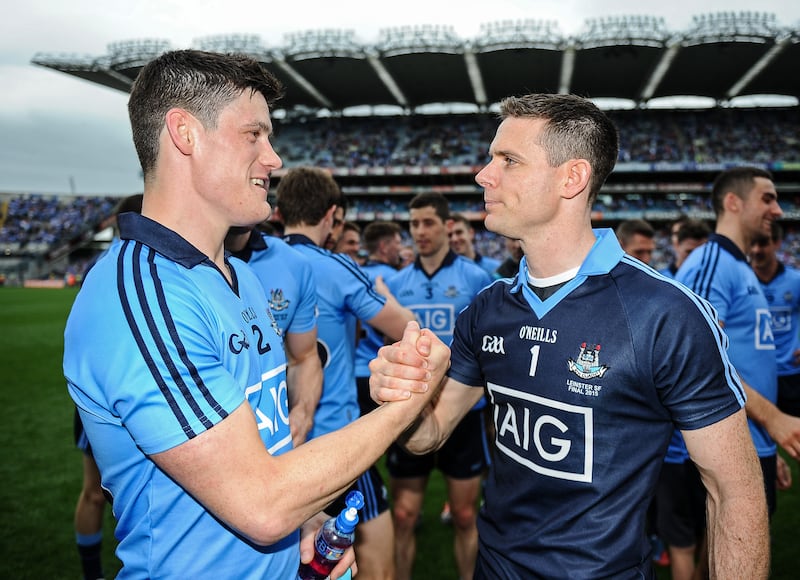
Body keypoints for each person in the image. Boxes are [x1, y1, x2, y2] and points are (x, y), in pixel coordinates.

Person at [63, 50, 442, 579]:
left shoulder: (243, 277)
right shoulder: (142, 297)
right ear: (185, 134)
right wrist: (405, 405)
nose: (274, 159)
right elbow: (261, 505)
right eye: (254, 135)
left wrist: (304, 526)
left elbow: (260, 451)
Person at [369, 93, 770, 578]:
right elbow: (428, 436)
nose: (483, 175)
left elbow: (734, 491)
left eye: (508, 160)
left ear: (572, 177)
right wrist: (403, 395)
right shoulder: (488, 308)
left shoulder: (665, 315)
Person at [277, 166, 416, 580]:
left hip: (272, 451)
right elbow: (404, 327)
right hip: (336, 450)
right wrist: (385, 295)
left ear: (280, 211)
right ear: (333, 215)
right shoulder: (335, 267)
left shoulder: (249, 266)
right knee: (377, 568)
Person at [676, 166, 799, 519]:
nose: (777, 210)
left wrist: (766, 446)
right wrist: (773, 418)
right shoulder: (712, 264)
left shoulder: (739, 265)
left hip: (750, 443)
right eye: (767, 199)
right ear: (733, 202)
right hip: (724, 450)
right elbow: (697, 364)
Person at [384, 192, 493, 580]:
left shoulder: (476, 278)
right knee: (403, 514)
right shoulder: (396, 282)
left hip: (462, 411)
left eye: (428, 222)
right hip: (412, 411)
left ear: (447, 226)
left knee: (466, 514)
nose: (420, 232)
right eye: (414, 224)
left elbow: (489, 343)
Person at [73, 193, 143, 580]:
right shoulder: (115, 266)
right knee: (97, 492)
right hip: (107, 398)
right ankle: (92, 572)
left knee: (109, 493)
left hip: (115, 395)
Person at [224, 225, 322, 447]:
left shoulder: (293, 263)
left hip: (276, 444)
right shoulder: (170, 270)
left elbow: (305, 356)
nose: (261, 186)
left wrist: (302, 415)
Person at [750, 222, 800, 421]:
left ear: (778, 243)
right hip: (754, 375)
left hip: (790, 372)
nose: (756, 250)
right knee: (758, 442)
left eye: (762, 243)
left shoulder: (795, 281)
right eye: (752, 244)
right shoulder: (741, 281)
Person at [355, 220, 405, 416]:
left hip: (352, 373)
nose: (400, 249)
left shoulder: (354, 274)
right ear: (384, 246)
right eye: (398, 243)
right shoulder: (394, 278)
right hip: (382, 373)